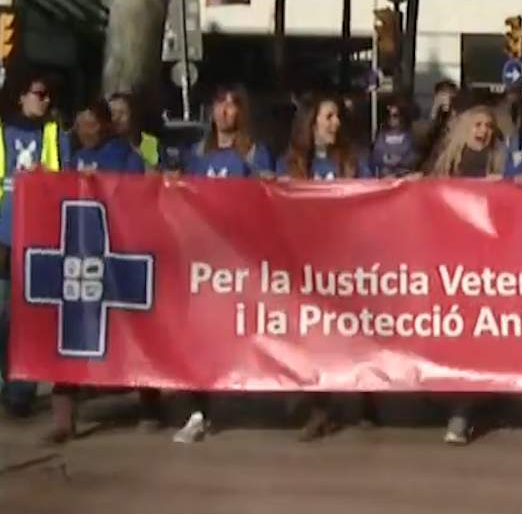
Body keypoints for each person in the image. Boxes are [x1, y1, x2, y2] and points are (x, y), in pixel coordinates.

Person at [170, 85, 274, 444]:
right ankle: (198, 411)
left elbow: (270, 199)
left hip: (240, 257)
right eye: (220, 104)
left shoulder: (255, 153)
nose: (225, 112)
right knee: (199, 335)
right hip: (202, 257)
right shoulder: (196, 153)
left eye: (233, 105)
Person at [39, 99, 147, 444]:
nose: (86, 131)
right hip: (81, 256)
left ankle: (150, 402)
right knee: (70, 338)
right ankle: (63, 419)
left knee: (135, 332)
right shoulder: (72, 157)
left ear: (105, 125)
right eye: (80, 125)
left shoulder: (126, 156)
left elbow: (139, 196)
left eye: (91, 124)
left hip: (118, 255)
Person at [274, 95, 372, 440]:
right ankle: (320, 409)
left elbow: (376, 198)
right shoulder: (291, 162)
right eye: (329, 117)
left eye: (338, 117)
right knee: (313, 336)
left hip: (347, 260)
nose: (336, 124)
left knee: (356, 333)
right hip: (306, 262)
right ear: (311, 123)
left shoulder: (354, 160)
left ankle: (368, 400)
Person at [430, 105, 505, 445]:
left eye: (488, 125)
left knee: (475, 338)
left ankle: (461, 414)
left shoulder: (500, 164)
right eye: (476, 124)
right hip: (450, 264)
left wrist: (509, 187)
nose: (483, 130)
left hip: (487, 265)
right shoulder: (445, 166)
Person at [108, 92, 160, 169]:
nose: (115, 119)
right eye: (112, 114)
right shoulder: (106, 146)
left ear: (134, 115)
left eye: (121, 113)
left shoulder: (149, 143)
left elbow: (153, 175)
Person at [373, 101, 421, 177]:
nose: (391, 118)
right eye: (389, 115)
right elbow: (376, 155)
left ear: (401, 117)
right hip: (386, 175)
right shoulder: (381, 135)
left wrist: (401, 161)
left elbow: (413, 155)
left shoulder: (408, 136)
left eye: (395, 115)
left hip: (404, 174)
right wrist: (385, 159)